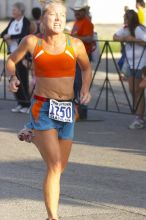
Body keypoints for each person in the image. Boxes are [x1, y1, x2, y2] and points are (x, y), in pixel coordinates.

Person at [6, 1, 92, 219]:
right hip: (43, 107)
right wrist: (13, 76)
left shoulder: (76, 44)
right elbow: (11, 59)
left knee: (60, 168)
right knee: (53, 166)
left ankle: (33, 135)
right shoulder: (33, 42)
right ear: (42, 19)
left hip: (68, 109)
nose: (58, 19)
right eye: (53, 14)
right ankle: (52, 217)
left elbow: (86, 67)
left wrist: (85, 89)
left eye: (62, 15)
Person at [113, 9, 146, 129]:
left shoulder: (138, 29)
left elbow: (145, 41)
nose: (124, 20)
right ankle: (138, 114)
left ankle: (139, 118)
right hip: (131, 64)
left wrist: (133, 40)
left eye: (126, 18)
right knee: (132, 89)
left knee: (138, 91)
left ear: (130, 19)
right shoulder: (125, 29)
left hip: (141, 63)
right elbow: (114, 36)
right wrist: (122, 39)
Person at [0, 2, 30, 113]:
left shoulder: (25, 21)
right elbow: (3, 33)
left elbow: (24, 35)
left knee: (23, 79)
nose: (12, 11)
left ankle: (26, 103)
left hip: (21, 56)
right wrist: (6, 36)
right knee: (13, 79)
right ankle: (19, 102)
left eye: (14, 9)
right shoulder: (12, 21)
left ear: (20, 11)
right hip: (12, 55)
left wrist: (11, 36)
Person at [71, 1, 94, 120]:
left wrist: (75, 38)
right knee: (76, 84)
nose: (75, 13)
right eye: (75, 11)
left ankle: (81, 112)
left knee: (81, 83)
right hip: (76, 56)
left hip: (83, 56)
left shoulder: (87, 23)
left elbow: (89, 38)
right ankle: (76, 111)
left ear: (83, 11)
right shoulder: (77, 22)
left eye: (78, 11)